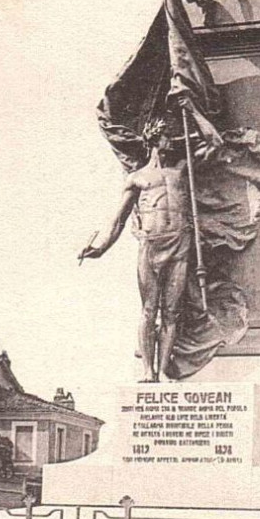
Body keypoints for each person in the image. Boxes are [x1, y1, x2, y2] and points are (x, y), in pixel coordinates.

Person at [79, 123, 192, 382]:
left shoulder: (182, 171)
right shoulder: (137, 178)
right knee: (149, 309)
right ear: (154, 139)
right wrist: (101, 247)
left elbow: (214, 145)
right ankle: (147, 371)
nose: (171, 141)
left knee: (172, 311)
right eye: (166, 137)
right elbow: (119, 219)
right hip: (151, 245)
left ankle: (163, 369)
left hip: (179, 242)